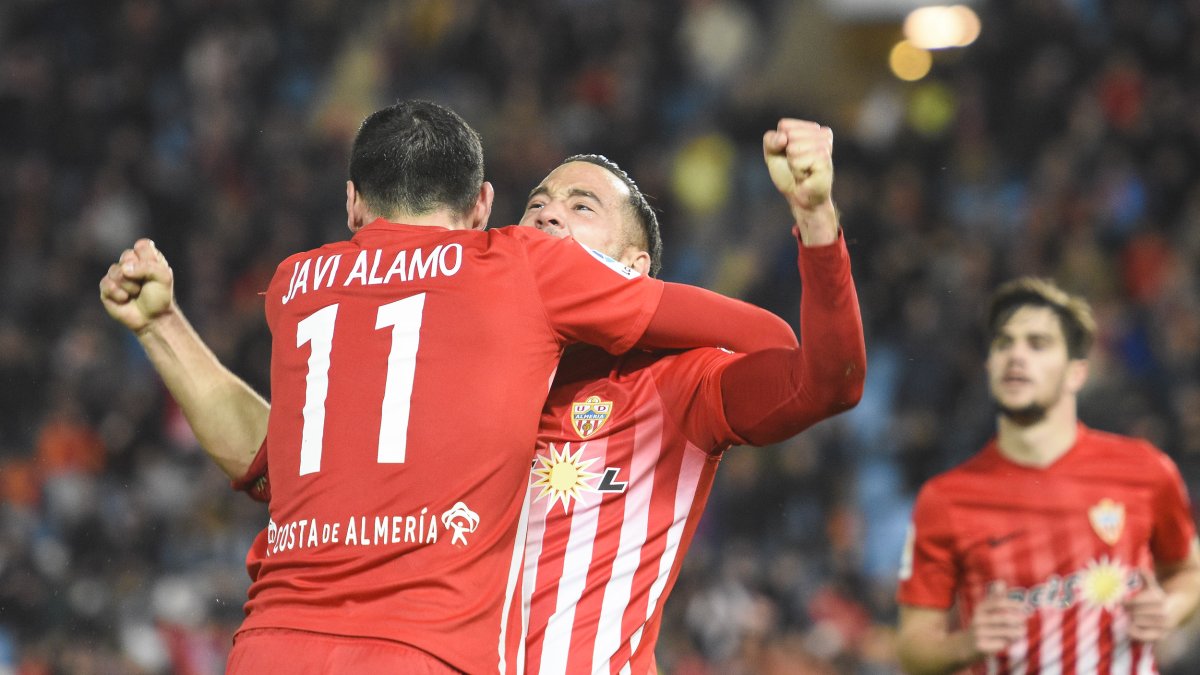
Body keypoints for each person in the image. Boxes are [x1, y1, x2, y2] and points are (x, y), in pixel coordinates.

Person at [99, 100, 801, 674]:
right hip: (425, 650)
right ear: (482, 208)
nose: (548, 218)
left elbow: (265, 464)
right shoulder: (517, 269)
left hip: (269, 643)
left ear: (352, 203)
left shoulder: (296, 284)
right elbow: (767, 337)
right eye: (538, 204)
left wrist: (163, 328)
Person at [895, 277, 1200, 674]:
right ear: (989, 366)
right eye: (1003, 343)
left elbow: (1188, 571)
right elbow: (912, 647)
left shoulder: (1147, 470)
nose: (1016, 356)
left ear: (1076, 373)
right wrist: (966, 643)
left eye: (1037, 344)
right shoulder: (945, 498)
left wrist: (1168, 610)